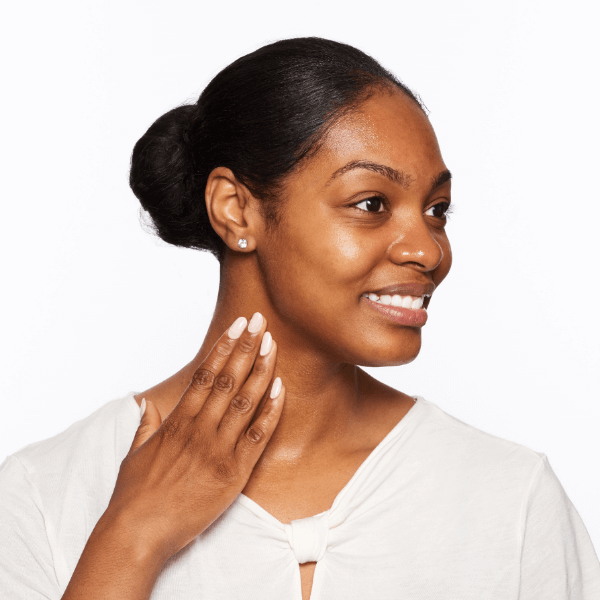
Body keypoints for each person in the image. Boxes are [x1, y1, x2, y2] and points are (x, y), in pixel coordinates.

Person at [0, 36, 598, 600]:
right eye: (371, 203)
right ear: (236, 210)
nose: (428, 250)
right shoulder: (43, 495)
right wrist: (132, 536)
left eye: (436, 209)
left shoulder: (512, 500)